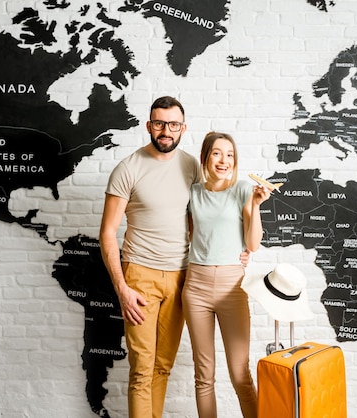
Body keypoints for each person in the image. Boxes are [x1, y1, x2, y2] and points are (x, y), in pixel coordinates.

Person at [99, 96, 201, 418]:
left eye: (173, 124)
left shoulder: (192, 167)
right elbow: (107, 232)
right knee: (142, 370)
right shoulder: (127, 168)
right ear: (149, 126)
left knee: (162, 367)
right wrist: (122, 287)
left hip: (180, 277)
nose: (166, 131)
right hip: (139, 275)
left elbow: (199, 223)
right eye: (159, 123)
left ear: (183, 128)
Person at [182, 131, 272, 418]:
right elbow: (193, 236)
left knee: (240, 374)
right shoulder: (193, 193)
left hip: (232, 288)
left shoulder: (244, 190)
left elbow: (253, 244)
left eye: (230, 154)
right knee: (204, 375)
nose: (224, 160)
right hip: (195, 286)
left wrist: (256, 206)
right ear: (205, 157)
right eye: (218, 153)